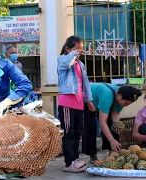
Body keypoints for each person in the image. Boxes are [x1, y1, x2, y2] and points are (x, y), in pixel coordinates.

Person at [57, 36, 95, 173]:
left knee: (78, 132)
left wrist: (88, 101)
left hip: (78, 104)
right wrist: (72, 54)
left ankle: (75, 159)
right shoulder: (62, 59)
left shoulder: (81, 65)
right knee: (69, 133)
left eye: (81, 49)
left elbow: (85, 85)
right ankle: (69, 163)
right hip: (66, 102)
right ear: (67, 49)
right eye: (77, 49)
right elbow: (66, 64)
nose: (80, 52)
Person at [82, 83, 142, 163]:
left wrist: (118, 126)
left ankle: (112, 151)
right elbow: (102, 122)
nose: (126, 106)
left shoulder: (121, 97)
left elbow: (115, 114)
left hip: (103, 102)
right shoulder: (107, 95)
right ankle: (92, 155)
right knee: (91, 128)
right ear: (120, 96)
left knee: (115, 126)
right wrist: (112, 140)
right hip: (88, 101)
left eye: (128, 104)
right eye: (126, 103)